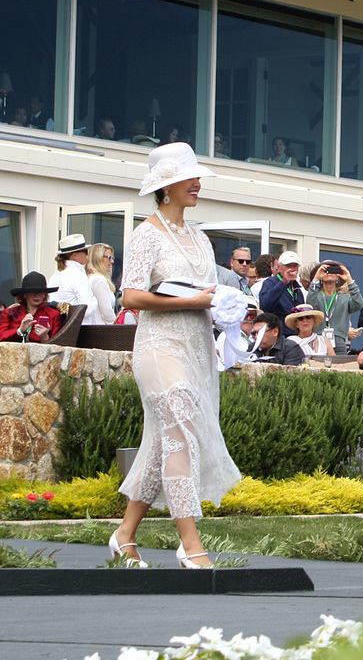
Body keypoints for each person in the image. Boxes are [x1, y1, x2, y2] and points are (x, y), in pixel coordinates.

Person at [111, 142, 241, 570]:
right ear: (167, 186)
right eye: (191, 177)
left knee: (164, 442)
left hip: (197, 346)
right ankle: (189, 541)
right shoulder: (146, 233)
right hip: (158, 347)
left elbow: (205, 295)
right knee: (181, 428)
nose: (198, 184)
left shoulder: (201, 237)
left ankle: (124, 535)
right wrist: (193, 303)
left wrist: (226, 305)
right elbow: (130, 295)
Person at [307, 260, 363, 350]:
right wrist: (316, 279)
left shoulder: (345, 298)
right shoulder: (315, 296)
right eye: (326, 271)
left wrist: (350, 281)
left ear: (338, 277)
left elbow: (359, 304)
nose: (329, 273)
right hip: (318, 340)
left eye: (334, 271)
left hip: (339, 340)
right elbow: (310, 306)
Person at [1, 271, 63, 342]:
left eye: (40, 292)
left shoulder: (53, 314)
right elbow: (1, 336)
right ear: (24, 294)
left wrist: (44, 338)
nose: (36, 295)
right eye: (32, 292)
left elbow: (58, 344)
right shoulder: (9, 312)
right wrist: (19, 330)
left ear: (45, 294)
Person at [53, 233, 100, 325]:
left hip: (59, 327)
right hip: (79, 329)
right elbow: (86, 309)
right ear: (74, 255)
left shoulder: (55, 276)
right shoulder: (79, 276)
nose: (87, 254)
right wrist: (94, 300)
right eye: (85, 251)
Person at [258, 250, 308, 331]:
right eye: (288, 266)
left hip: (295, 333)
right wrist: (283, 283)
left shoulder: (297, 289)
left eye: (294, 266)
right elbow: (265, 306)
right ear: (279, 267)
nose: (291, 269)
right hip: (278, 334)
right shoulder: (270, 282)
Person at [85, 242, 117, 326]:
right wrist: (117, 326)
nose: (112, 261)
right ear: (97, 258)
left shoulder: (91, 278)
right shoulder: (98, 280)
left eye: (112, 257)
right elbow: (107, 312)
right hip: (102, 330)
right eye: (109, 257)